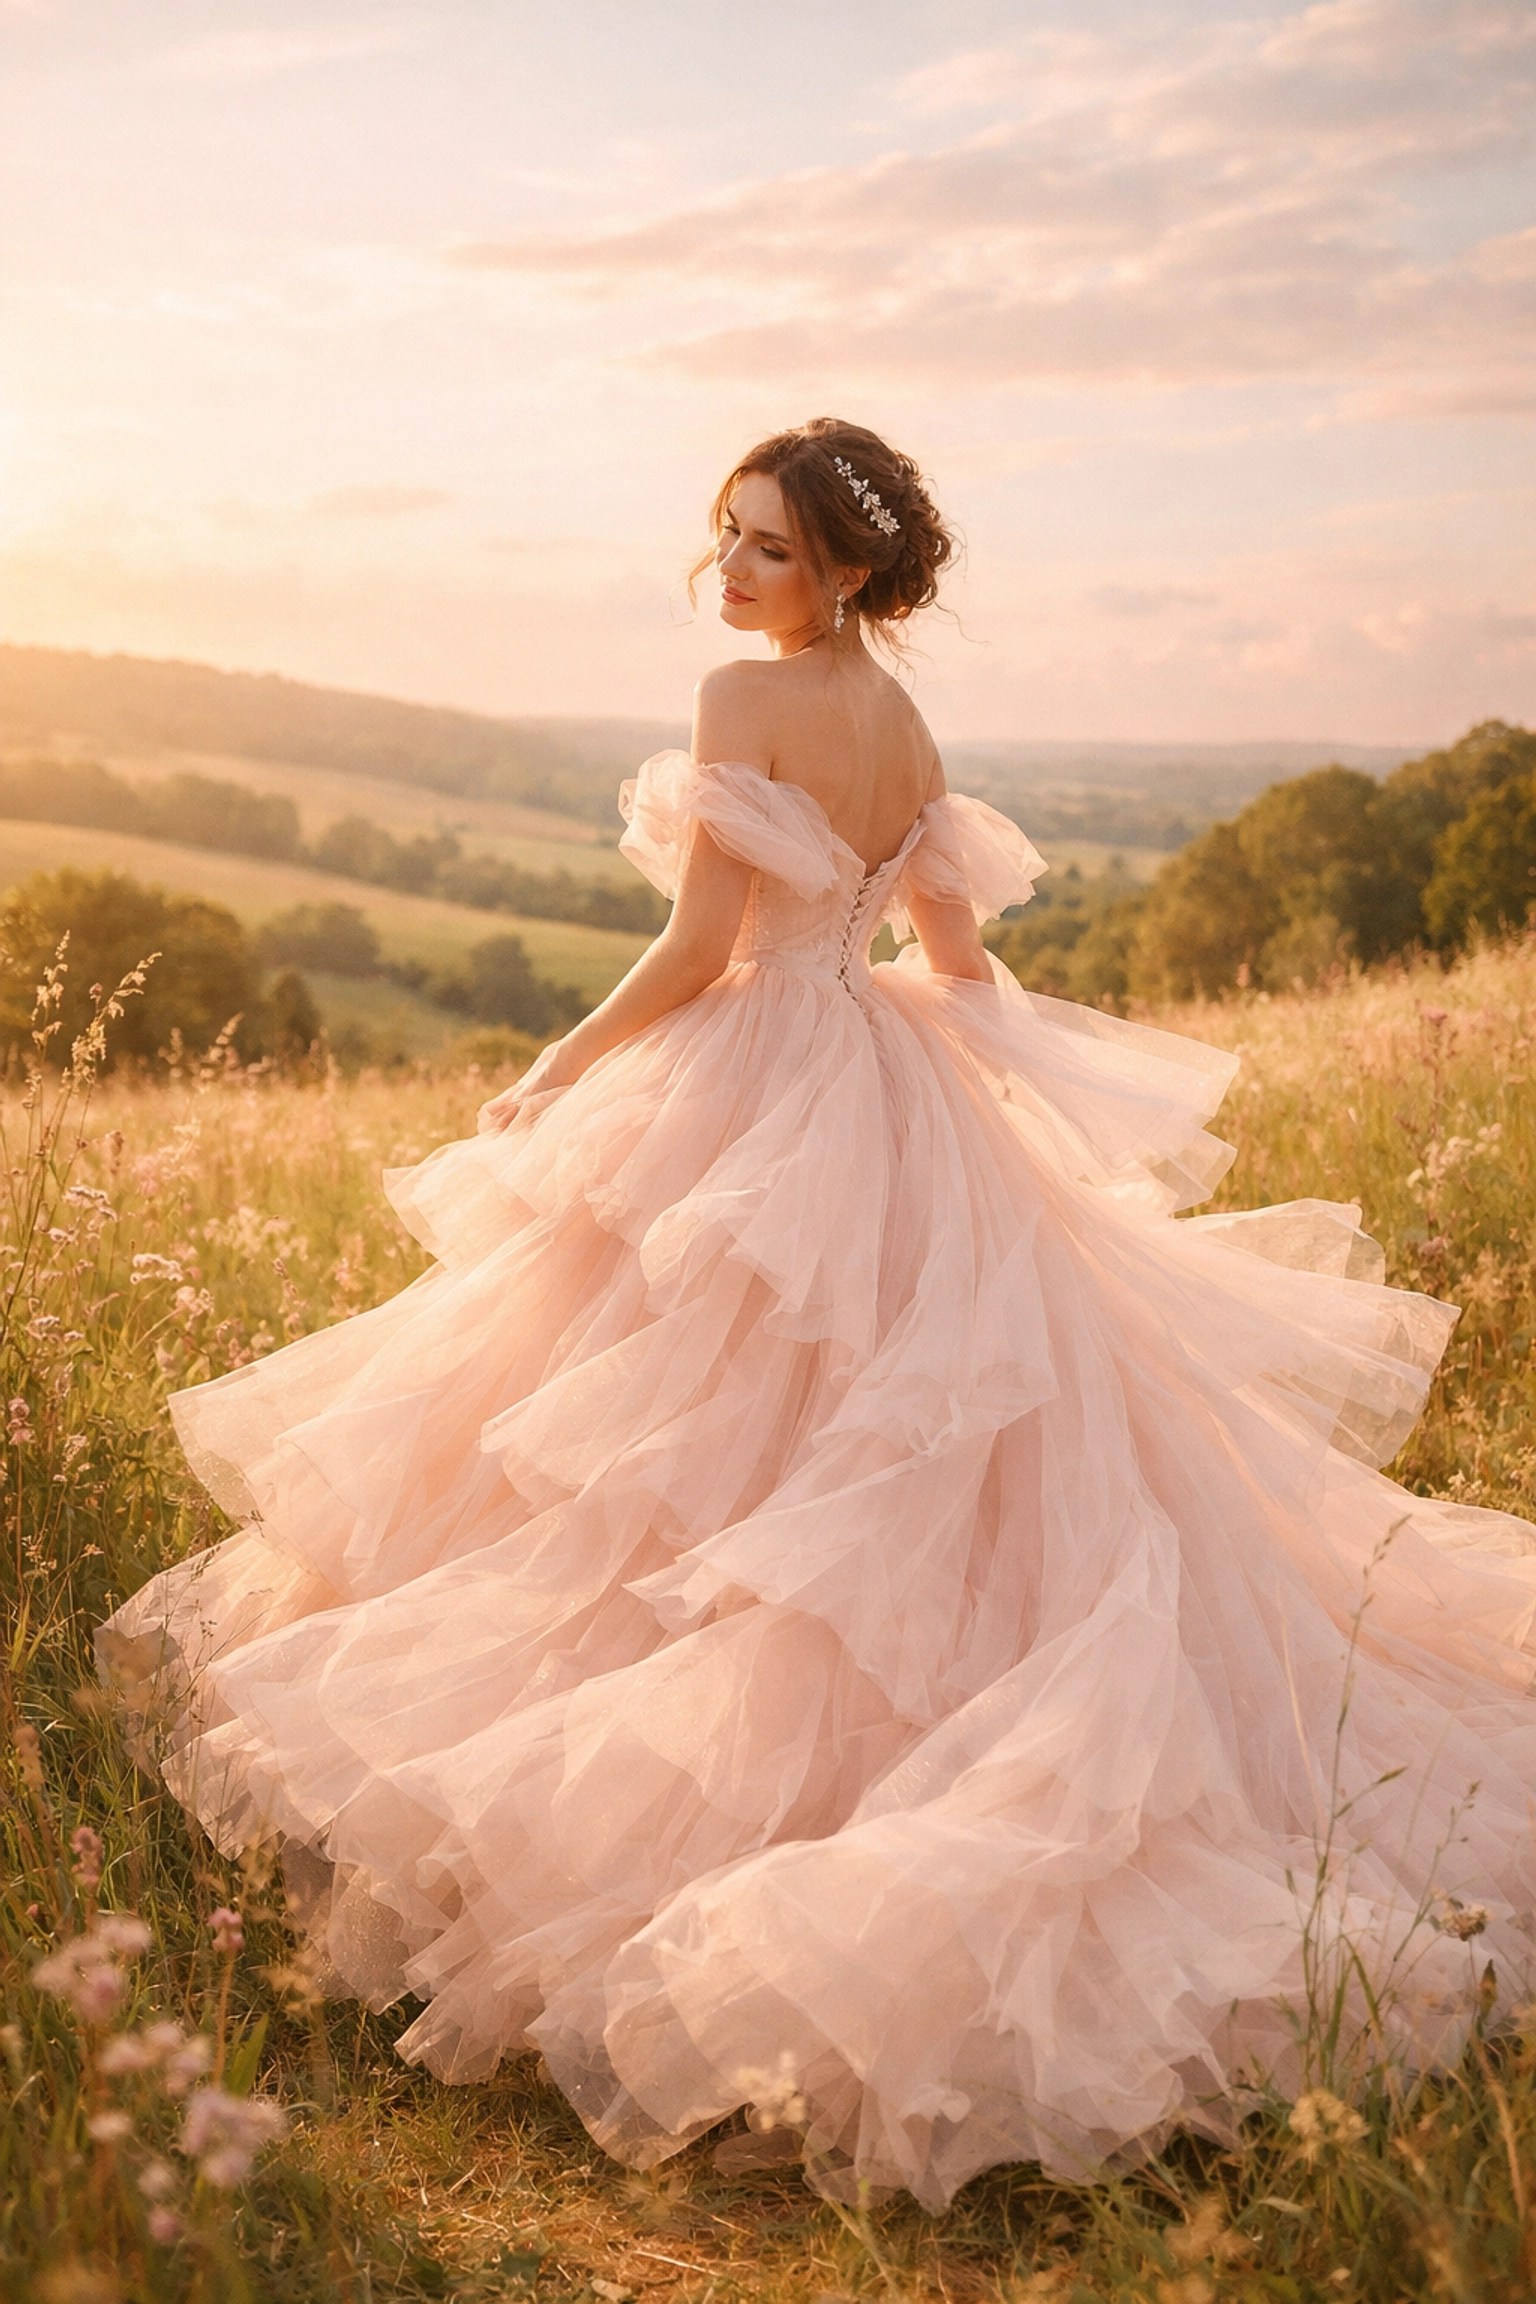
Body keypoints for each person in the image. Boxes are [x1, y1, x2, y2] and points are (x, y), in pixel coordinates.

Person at [103, 417, 1536, 2212]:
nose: (735, 572)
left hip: (761, 1077)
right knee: (811, 1453)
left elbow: (706, 947)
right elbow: (953, 966)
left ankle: (702, 1845)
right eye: (728, 539)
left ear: (849, 570)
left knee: (675, 1447)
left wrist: (560, 1058)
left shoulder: (739, 699)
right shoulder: (913, 730)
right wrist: (990, 1109)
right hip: (878, 1074)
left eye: (771, 548)